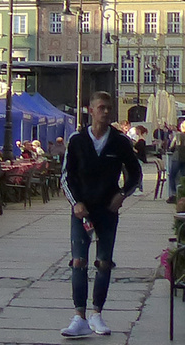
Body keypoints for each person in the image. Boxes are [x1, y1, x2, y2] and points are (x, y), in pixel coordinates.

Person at [59, 91, 142, 338]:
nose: (106, 112)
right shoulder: (77, 140)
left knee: (104, 262)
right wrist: (75, 203)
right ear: (91, 110)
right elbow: (66, 176)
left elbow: (135, 174)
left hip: (107, 209)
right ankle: (79, 316)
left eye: (109, 108)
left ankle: (97, 313)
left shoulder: (119, 142)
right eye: (101, 108)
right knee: (78, 262)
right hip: (83, 209)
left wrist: (122, 194)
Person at [167, 119, 185, 202]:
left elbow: (171, 148)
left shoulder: (178, 135)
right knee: (184, 176)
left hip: (177, 158)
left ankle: (174, 194)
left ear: (182, 127)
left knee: (172, 176)